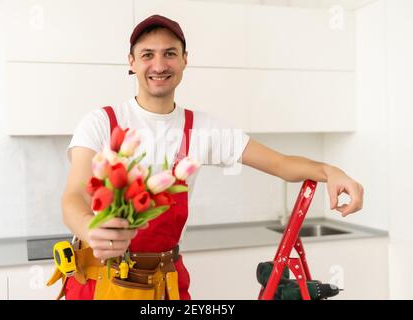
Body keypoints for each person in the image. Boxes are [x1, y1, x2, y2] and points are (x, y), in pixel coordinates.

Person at [60, 15, 364, 300]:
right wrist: (89, 228)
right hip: (100, 280)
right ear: (131, 62)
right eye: (147, 54)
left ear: (184, 60)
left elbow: (280, 164)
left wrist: (329, 170)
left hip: (165, 283)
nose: (159, 64)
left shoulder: (203, 129)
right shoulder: (103, 122)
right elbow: (73, 197)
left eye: (170, 53)